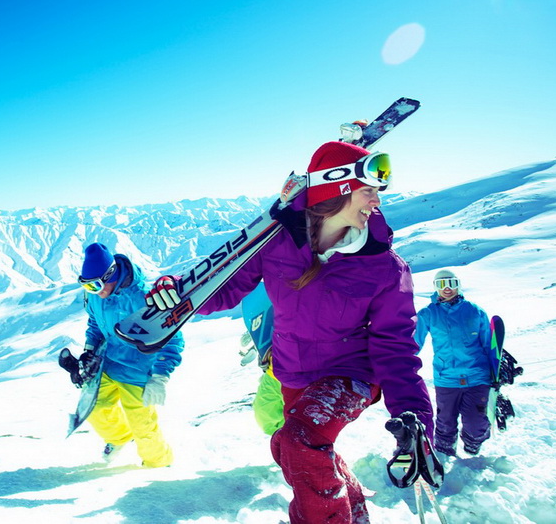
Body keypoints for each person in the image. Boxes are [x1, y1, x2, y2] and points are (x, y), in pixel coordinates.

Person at [147, 141, 435, 524]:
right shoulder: (278, 242)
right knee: (288, 448)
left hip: (352, 374)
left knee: (300, 440)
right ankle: (354, 513)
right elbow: (227, 288)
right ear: (338, 188)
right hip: (293, 373)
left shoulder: (383, 267)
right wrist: (176, 289)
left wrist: (414, 415)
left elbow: (395, 348)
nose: (377, 202)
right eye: (369, 191)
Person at [77, 242, 184, 467]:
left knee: (142, 425)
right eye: (87, 287)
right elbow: (95, 322)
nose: (95, 292)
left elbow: (172, 337)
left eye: (96, 285)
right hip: (108, 364)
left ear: (111, 274)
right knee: (95, 410)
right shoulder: (98, 296)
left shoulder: (145, 296)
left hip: (139, 370)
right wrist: (89, 351)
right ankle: (119, 438)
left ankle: (160, 465)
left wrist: (160, 377)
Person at [415, 269, 492, 456]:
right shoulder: (428, 314)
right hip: (446, 377)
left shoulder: (475, 311)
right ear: (435, 288)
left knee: (476, 422)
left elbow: (489, 344)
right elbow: (414, 342)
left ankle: (474, 444)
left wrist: (497, 371)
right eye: (441, 284)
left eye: (451, 283)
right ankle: (444, 452)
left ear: (458, 284)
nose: (447, 288)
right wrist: (398, 361)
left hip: (477, 376)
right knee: (445, 421)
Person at [239, 283, 284, 436]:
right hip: (275, 371)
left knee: (297, 415)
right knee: (265, 415)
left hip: (296, 371)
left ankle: (300, 447)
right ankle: (292, 445)